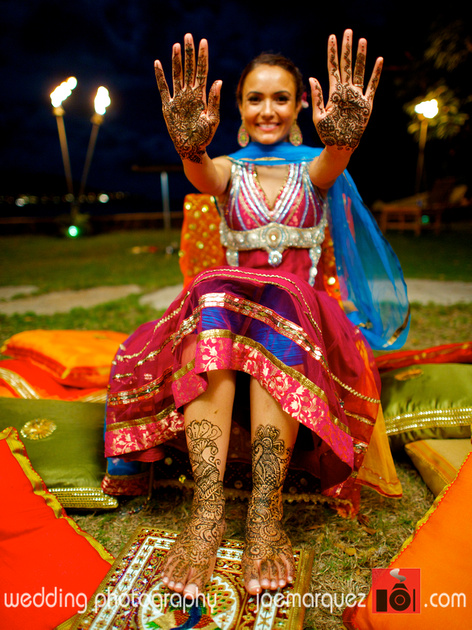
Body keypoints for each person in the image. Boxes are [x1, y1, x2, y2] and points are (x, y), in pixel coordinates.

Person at [105, 30, 410, 600]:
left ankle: (265, 517)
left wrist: (342, 144)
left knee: (277, 300)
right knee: (217, 291)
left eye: (280, 98)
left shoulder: (315, 170)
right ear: (237, 107)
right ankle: (207, 512)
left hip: (303, 325)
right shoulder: (226, 170)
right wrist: (190, 149)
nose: (267, 109)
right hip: (229, 326)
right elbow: (202, 175)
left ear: (301, 108)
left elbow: (333, 161)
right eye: (254, 98)